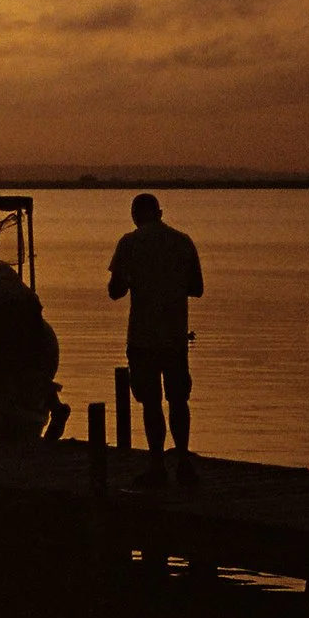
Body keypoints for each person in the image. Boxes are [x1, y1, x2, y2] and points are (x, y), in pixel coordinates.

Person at [108, 192, 204, 486]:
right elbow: (197, 288)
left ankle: (156, 464)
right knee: (178, 400)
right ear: (159, 213)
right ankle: (184, 460)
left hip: (143, 337)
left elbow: (115, 291)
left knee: (151, 402)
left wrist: (135, 279)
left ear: (136, 215)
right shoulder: (183, 241)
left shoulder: (130, 243)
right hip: (175, 336)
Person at [0, 236, 69, 439]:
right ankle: (55, 405)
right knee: (29, 362)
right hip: (32, 311)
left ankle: (0, 408)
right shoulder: (4, 269)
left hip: (4, 314)